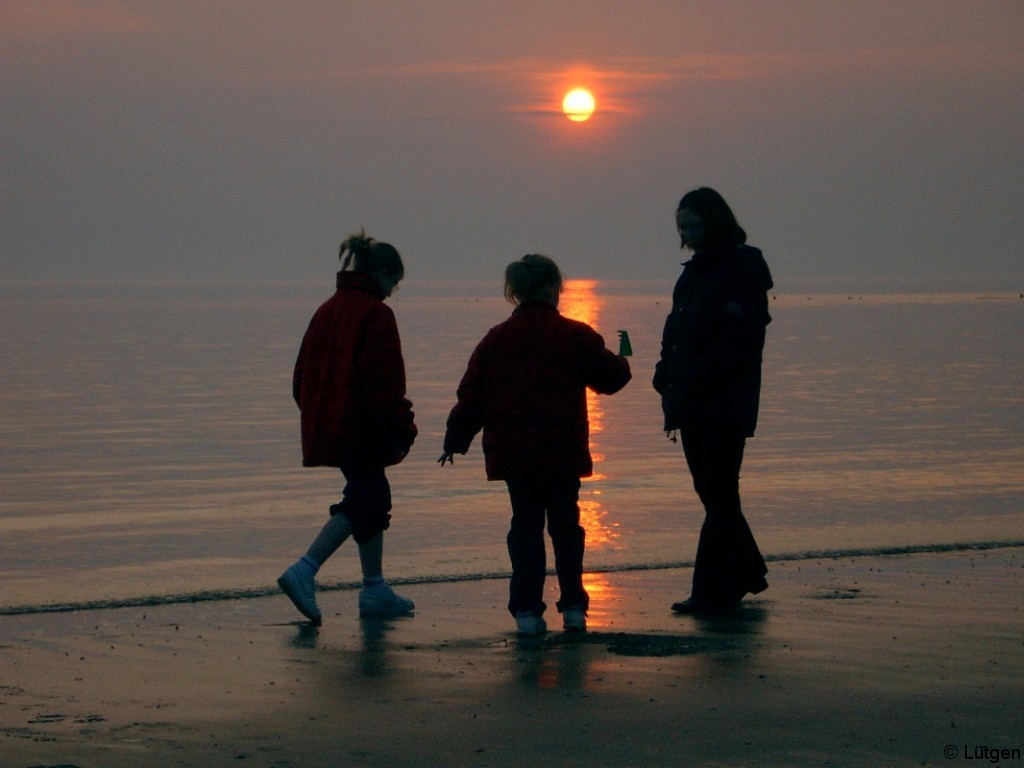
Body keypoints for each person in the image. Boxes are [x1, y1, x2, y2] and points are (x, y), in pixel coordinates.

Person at [439, 254, 632, 636]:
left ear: (514, 292)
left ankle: (527, 611)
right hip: (562, 450)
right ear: (552, 288)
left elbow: (471, 397)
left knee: (525, 528)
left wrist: (455, 440)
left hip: (515, 454)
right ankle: (574, 607)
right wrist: (625, 348)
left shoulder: (495, 339)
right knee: (566, 528)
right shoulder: (576, 335)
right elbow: (613, 379)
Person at [277, 230, 417, 624]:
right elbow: (385, 381)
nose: (393, 292)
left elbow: (300, 375)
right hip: (363, 427)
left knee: (370, 497)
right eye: (395, 282)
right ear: (383, 274)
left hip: (331, 423)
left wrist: (317, 413)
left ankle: (374, 588)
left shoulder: (328, 308)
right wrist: (403, 429)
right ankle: (305, 569)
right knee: (366, 500)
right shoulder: (376, 314)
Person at [653, 187, 772, 614]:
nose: (687, 231)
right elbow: (676, 331)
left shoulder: (740, 270)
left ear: (714, 221)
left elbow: (740, 341)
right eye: (682, 224)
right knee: (717, 494)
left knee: (718, 494)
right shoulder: (694, 273)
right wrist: (665, 371)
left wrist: (693, 378)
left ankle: (711, 590)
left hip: (722, 402)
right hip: (691, 400)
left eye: (694, 223)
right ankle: (743, 575)